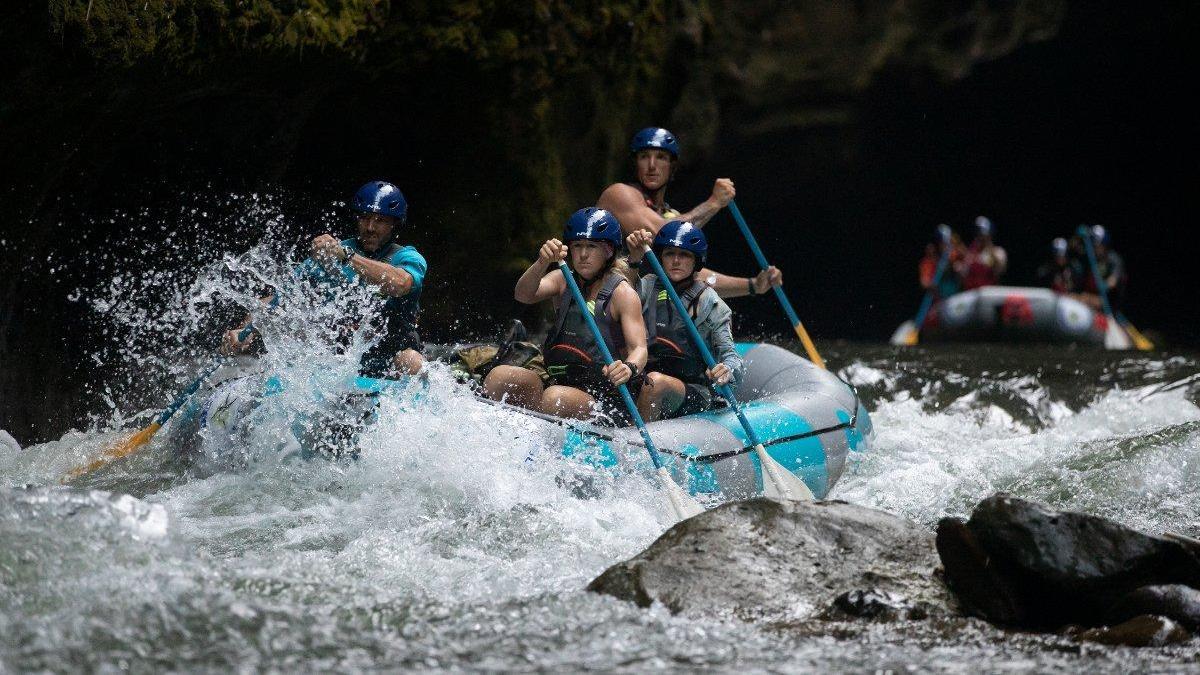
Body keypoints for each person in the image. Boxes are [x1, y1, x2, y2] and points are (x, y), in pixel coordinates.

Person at [222, 180, 427, 377]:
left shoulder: (406, 257)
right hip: (342, 358)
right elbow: (280, 296)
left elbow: (401, 283)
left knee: (412, 360)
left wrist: (347, 257)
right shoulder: (331, 254)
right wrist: (243, 329)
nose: (370, 227)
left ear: (394, 225)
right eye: (365, 218)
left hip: (391, 354)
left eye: (380, 220)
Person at [482, 207, 648, 421]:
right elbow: (523, 294)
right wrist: (542, 262)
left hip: (604, 395)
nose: (583, 254)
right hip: (559, 381)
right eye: (577, 246)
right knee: (500, 377)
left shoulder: (623, 294)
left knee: (553, 399)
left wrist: (628, 368)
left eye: (592, 247)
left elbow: (639, 349)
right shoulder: (563, 280)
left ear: (608, 251)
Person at [597, 127, 782, 299]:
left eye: (661, 157)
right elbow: (664, 232)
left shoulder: (671, 214)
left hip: (638, 310)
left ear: (672, 167)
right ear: (635, 164)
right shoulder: (618, 194)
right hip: (603, 303)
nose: (652, 165)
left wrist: (753, 285)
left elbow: (694, 276)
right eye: (644, 156)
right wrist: (713, 203)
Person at [625, 222, 744, 421]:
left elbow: (732, 358)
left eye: (685, 255)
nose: (676, 261)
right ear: (660, 257)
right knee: (647, 381)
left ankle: (636, 443)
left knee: (656, 383)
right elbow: (614, 298)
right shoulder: (646, 286)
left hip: (693, 390)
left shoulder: (711, 303)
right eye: (669, 253)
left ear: (696, 261)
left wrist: (727, 370)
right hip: (642, 377)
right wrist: (634, 258)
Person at [1077, 225, 1127, 312]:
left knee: (1083, 299)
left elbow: (1113, 281)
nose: (1095, 249)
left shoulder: (1114, 259)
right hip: (1092, 297)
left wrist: (1104, 285)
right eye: (1093, 245)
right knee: (1075, 297)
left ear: (1105, 245)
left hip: (1108, 302)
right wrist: (1077, 238)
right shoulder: (1090, 258)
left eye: (1098, 246)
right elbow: (1075, 247)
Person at [917, 224, 965, 299]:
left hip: (957, 295)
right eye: (943, 242)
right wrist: (932, 284)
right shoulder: (929, 260)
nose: (946, 245)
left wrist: (957, 267)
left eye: (948, 242)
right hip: (939, 299)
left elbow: (965, 255)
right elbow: (924, 282)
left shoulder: (952, 254)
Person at [961, 215, 1007, 290]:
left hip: (988, 295)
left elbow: (999, 270)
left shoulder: (998, 252)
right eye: (977, 234)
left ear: (989, 235)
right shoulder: (970, 253)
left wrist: (988, 247)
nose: (979, 237)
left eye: (981, 234)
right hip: (971, 295)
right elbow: (963, 276)